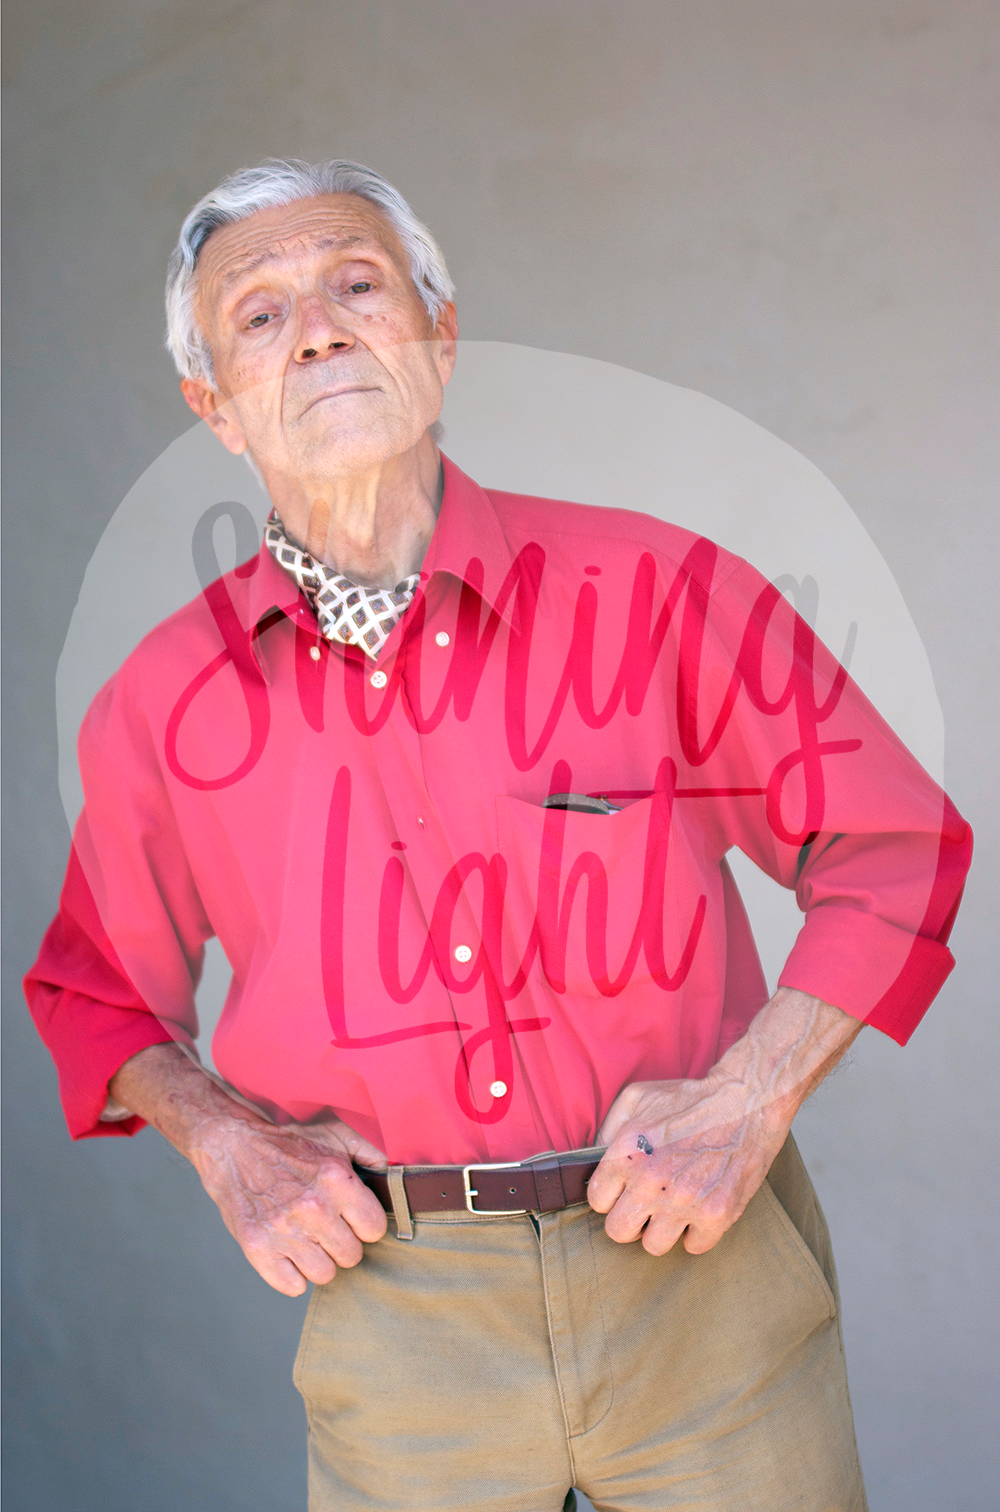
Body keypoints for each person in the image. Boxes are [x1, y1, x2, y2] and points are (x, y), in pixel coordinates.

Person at [25, 158, 972, 1512]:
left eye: (359, 285)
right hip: (402, 1319)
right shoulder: (159, 707)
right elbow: (96, 998)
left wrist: (752, 1097)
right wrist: (227, 1145)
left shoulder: (657, 590)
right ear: (214, 410)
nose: (320, 328)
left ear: (441, 333)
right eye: (259, 315)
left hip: (702, 1283)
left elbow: (892, 844)